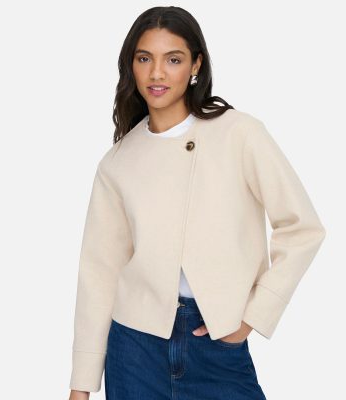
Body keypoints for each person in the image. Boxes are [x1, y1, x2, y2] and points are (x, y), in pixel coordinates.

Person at [68, 6, 326, 400]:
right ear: (131, 66)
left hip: (217, 340)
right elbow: (99, 272)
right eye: (144, 59)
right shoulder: (118, 161)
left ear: (196, 65)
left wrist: (253, 316)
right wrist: (82, 384)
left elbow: (302, 228)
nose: (157, 73)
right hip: (134, 347)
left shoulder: (238, 133)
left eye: (173, 59)